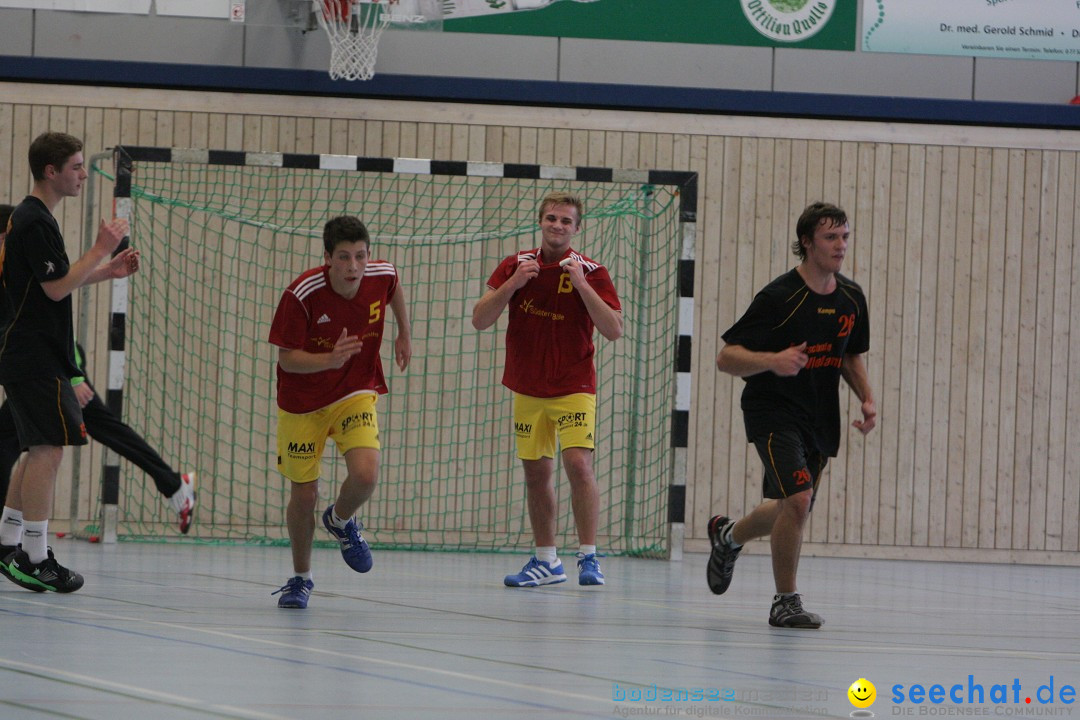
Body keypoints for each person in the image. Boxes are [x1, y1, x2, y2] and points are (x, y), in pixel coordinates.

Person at [705, 201, 876, 629]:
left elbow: (850, 356)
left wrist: (867, 399)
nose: (840, 246)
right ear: (806, 242)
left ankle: (728, 537)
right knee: (798, 500)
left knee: (789, 505)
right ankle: (786, 602)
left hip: (819, 416)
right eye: (830, 237)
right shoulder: (779, 296)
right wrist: (772, 360)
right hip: (771, 410)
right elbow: (727, 358)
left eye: (845, 237)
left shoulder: (851, 297)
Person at [0, 132, 141, 593]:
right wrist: (102, 248)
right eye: (77, 167)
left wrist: (106, 271)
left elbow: (52, 285)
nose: (83, 174)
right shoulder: (34, 221)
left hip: (32, 354)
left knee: (35, 448)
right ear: (51, 172)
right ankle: (36, 557)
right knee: (48, 450)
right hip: (34, 355)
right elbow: (56, 288)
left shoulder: (37, 220)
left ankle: (8, 542)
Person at [472, 190, 623, 588]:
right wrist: (513, 285)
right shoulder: (516, 265)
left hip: (574, 385)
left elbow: (614, 329)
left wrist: (581, 285)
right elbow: (479, 319)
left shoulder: (591, 271)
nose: (558, 226)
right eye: (551, 218)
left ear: (577, 228)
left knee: (577, 464)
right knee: (537, 474)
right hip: (527, 387)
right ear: (540, 222)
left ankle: (589, 557)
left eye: (566, 221)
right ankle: (546, 561)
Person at [268, 215, 411, 609]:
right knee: (304, 494)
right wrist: (328, 360)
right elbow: (287, 360)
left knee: (366, 474)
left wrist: (404, 332)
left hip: (354, 391)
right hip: (303, 402)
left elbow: (394, 284)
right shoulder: (301, 294)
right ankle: (300, 578)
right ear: (327, 258)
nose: (353, 267)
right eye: (344, 257)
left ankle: (341, 521)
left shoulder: (379, 274)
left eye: (361, 257)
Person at [0, 342, 196, 534]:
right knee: (7, 438)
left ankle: (174, 485)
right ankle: (173, 484)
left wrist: (74, 377)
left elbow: (58, 324)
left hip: (54, 367)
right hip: (36, 366)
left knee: (104, 428)